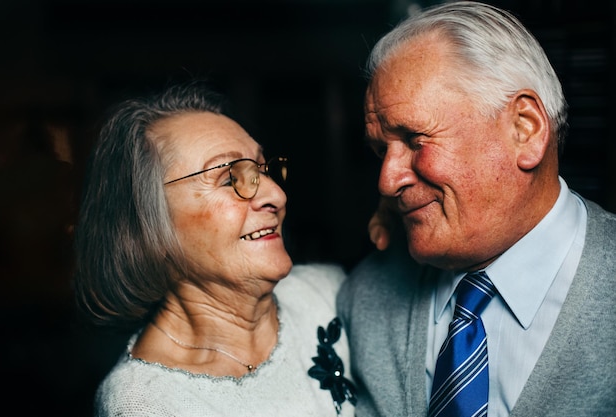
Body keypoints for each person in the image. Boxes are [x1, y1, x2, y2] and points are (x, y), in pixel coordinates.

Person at [337, 2, 616, 417]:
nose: (386, 180)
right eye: (381, 150)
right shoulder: (367, 296)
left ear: (525, 129)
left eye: (415, 139)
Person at [73, 80, 356, 416]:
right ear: (148, 229)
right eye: (228, 178)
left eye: (262, 169)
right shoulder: (143, 403)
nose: (277, 196)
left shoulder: (327, 292)